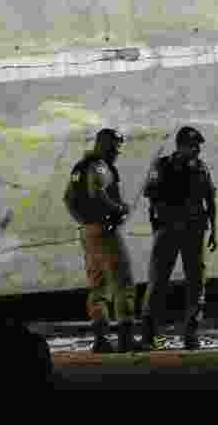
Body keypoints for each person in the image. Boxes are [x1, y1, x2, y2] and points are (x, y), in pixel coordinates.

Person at [63, 128, 143, 353]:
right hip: (106, 230)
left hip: (87, 231)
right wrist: (118, 209)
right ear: (105, 145)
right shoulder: (99, 166)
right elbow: (97, 192)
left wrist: (84, 221)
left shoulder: (80, 167)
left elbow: (68, 199)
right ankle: (126, 338)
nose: (118, 152)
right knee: (123, 283)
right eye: (115, 147)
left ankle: (101, 340)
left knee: (97, 287)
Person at [140, 126, 218, 350]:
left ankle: (191, 334)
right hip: (168, 231)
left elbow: (210, 199)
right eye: (194, 146)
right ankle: (149, 335)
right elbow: (151, 194)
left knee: (196, 282)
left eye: (198, 147)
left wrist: (214, 230)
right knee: (157, 281)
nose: (197, 151)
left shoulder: (201, 168)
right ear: (182, 145)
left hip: (193, 232)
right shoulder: (162, 165)